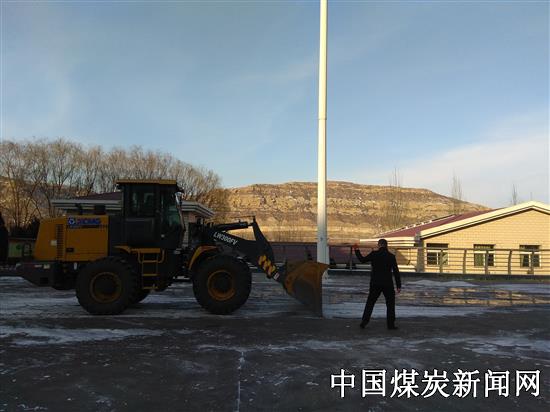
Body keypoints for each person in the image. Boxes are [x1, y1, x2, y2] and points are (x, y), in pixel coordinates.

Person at [353, 239, 401, 330]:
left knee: (370, 303)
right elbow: (396, 272)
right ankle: (390, 325)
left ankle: (364, 322)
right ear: (386, 245)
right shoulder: (391, 256)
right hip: (387, 283)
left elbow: (362, 260)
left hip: (375, 283)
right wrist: (398, 285)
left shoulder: (374, 254)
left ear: (379, 245)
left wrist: (356, 250)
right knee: (390, 304)